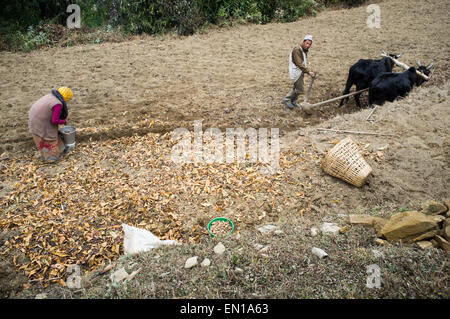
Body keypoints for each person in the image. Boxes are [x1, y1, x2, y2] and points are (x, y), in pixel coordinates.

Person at [28, 87, 73, 163]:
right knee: (50, 137)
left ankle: (62, 149)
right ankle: (51, 158)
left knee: (55, 133)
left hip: (34, 118)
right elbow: (55, 120)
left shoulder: (51, 96)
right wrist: (63, 121)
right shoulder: (57, 104)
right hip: (40, 122)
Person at [282, 34, 316, 109]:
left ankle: (293, 101)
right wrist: (308, 72)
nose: (308, 45)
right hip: (296, 71)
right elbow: (299, 63)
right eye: (307, 43)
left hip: (300, 71)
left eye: (309, 44)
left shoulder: (303, 49)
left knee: (297, 87)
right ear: (303, 42)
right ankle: (287, 99)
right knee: (299, 89)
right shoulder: (297, 49)